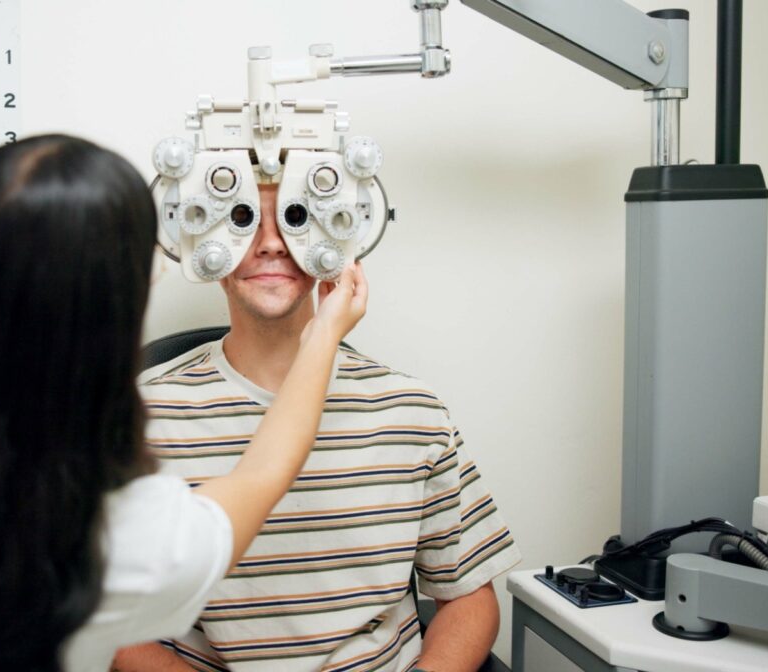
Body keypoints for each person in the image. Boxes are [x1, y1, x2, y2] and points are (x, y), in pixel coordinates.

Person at [0, 135, 367, 672]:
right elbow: (263, 474)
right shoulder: (119, 536)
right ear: (100, 330)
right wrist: (324, 336)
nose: (268, 243)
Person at [114, 183, 521, 672]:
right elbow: (111, 620)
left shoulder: (412, 409)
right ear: (202, 243)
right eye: (242, 216)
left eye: (296, 218)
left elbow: (468, 597)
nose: (271, 242)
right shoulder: (141, 413)